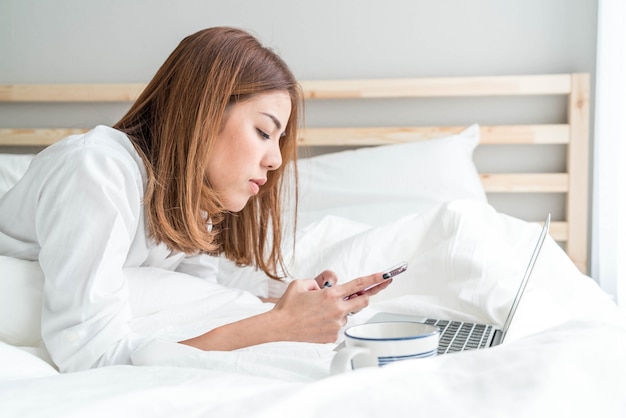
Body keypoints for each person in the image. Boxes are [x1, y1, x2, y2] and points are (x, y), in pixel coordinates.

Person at [0, 27, 392, 372]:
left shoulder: (185, 197)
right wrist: (275, 327)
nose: (274, 160)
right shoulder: (95, 172)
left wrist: (290, 306)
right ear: (203, 113)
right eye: (262, 131)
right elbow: (89, 355)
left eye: (278, 140)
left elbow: (198, 298)